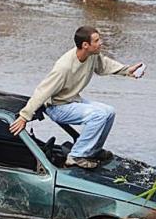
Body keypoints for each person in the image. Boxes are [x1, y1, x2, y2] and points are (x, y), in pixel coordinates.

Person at [8, 27, 143, 170]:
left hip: (72, 100)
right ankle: (76, 156)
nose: (101, 43)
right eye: (97, 40)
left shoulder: (92, 55)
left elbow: (104, 66)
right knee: (99, 115)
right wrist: (24, 116)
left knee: (109, 112)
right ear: (86, 45)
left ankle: (93, 151)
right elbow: (42, 91)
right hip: (57, 107)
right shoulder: (64, 67)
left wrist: (127, 70)